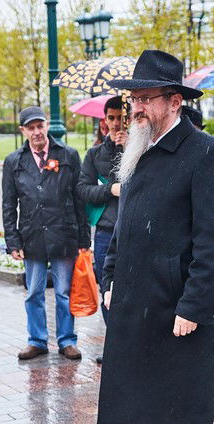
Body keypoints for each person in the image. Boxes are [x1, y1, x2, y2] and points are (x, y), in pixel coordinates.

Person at [98, 50, 214, 424]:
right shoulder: (140, 149)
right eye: (132, 98)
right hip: (137, 297)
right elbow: (123, 226)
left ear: (174, 101)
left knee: (185, 397)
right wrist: (110, 277)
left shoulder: (206, 153)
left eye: (145, 98)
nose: (135, 107)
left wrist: (194, 306)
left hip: (177, 301)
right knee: (149, 394)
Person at [2, 106, 90, 361]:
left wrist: (84, 239)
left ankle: (67, 340)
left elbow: (79, 199)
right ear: (23, 131)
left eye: (40, 126)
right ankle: (37, 340)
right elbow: (9, 204)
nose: (37, 132)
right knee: (34, 292)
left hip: (63, 233)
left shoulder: (68, 155)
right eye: (31, 128)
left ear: (47, 125)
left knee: (63, 291)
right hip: (32, 235)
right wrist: (12, 241)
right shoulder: (14, 161)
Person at [77, 96, 126, 364]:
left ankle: (131, 345)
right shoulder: (95, 154)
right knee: (107, 288)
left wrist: (128, 149)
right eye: (111, 118)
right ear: (104, 120)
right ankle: (115, 345)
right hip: (107, 231)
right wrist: (110, 189)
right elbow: (83, 189)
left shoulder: (141, 150)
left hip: (133, 229)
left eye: (121, 118)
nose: (116, 123)